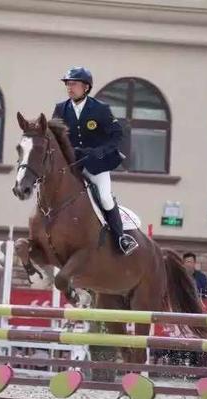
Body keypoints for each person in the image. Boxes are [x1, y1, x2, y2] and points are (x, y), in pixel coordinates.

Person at [52, 66, 138, 256]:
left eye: (73, 84)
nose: (69, 88)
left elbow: (117, 135)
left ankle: (120, 238)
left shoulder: (100, 109)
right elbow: (55, 136)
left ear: (86, 87)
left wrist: (99, 151)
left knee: (105, 197)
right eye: (68, 84)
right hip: (71, 165)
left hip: (95, 166)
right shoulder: (61, 109)